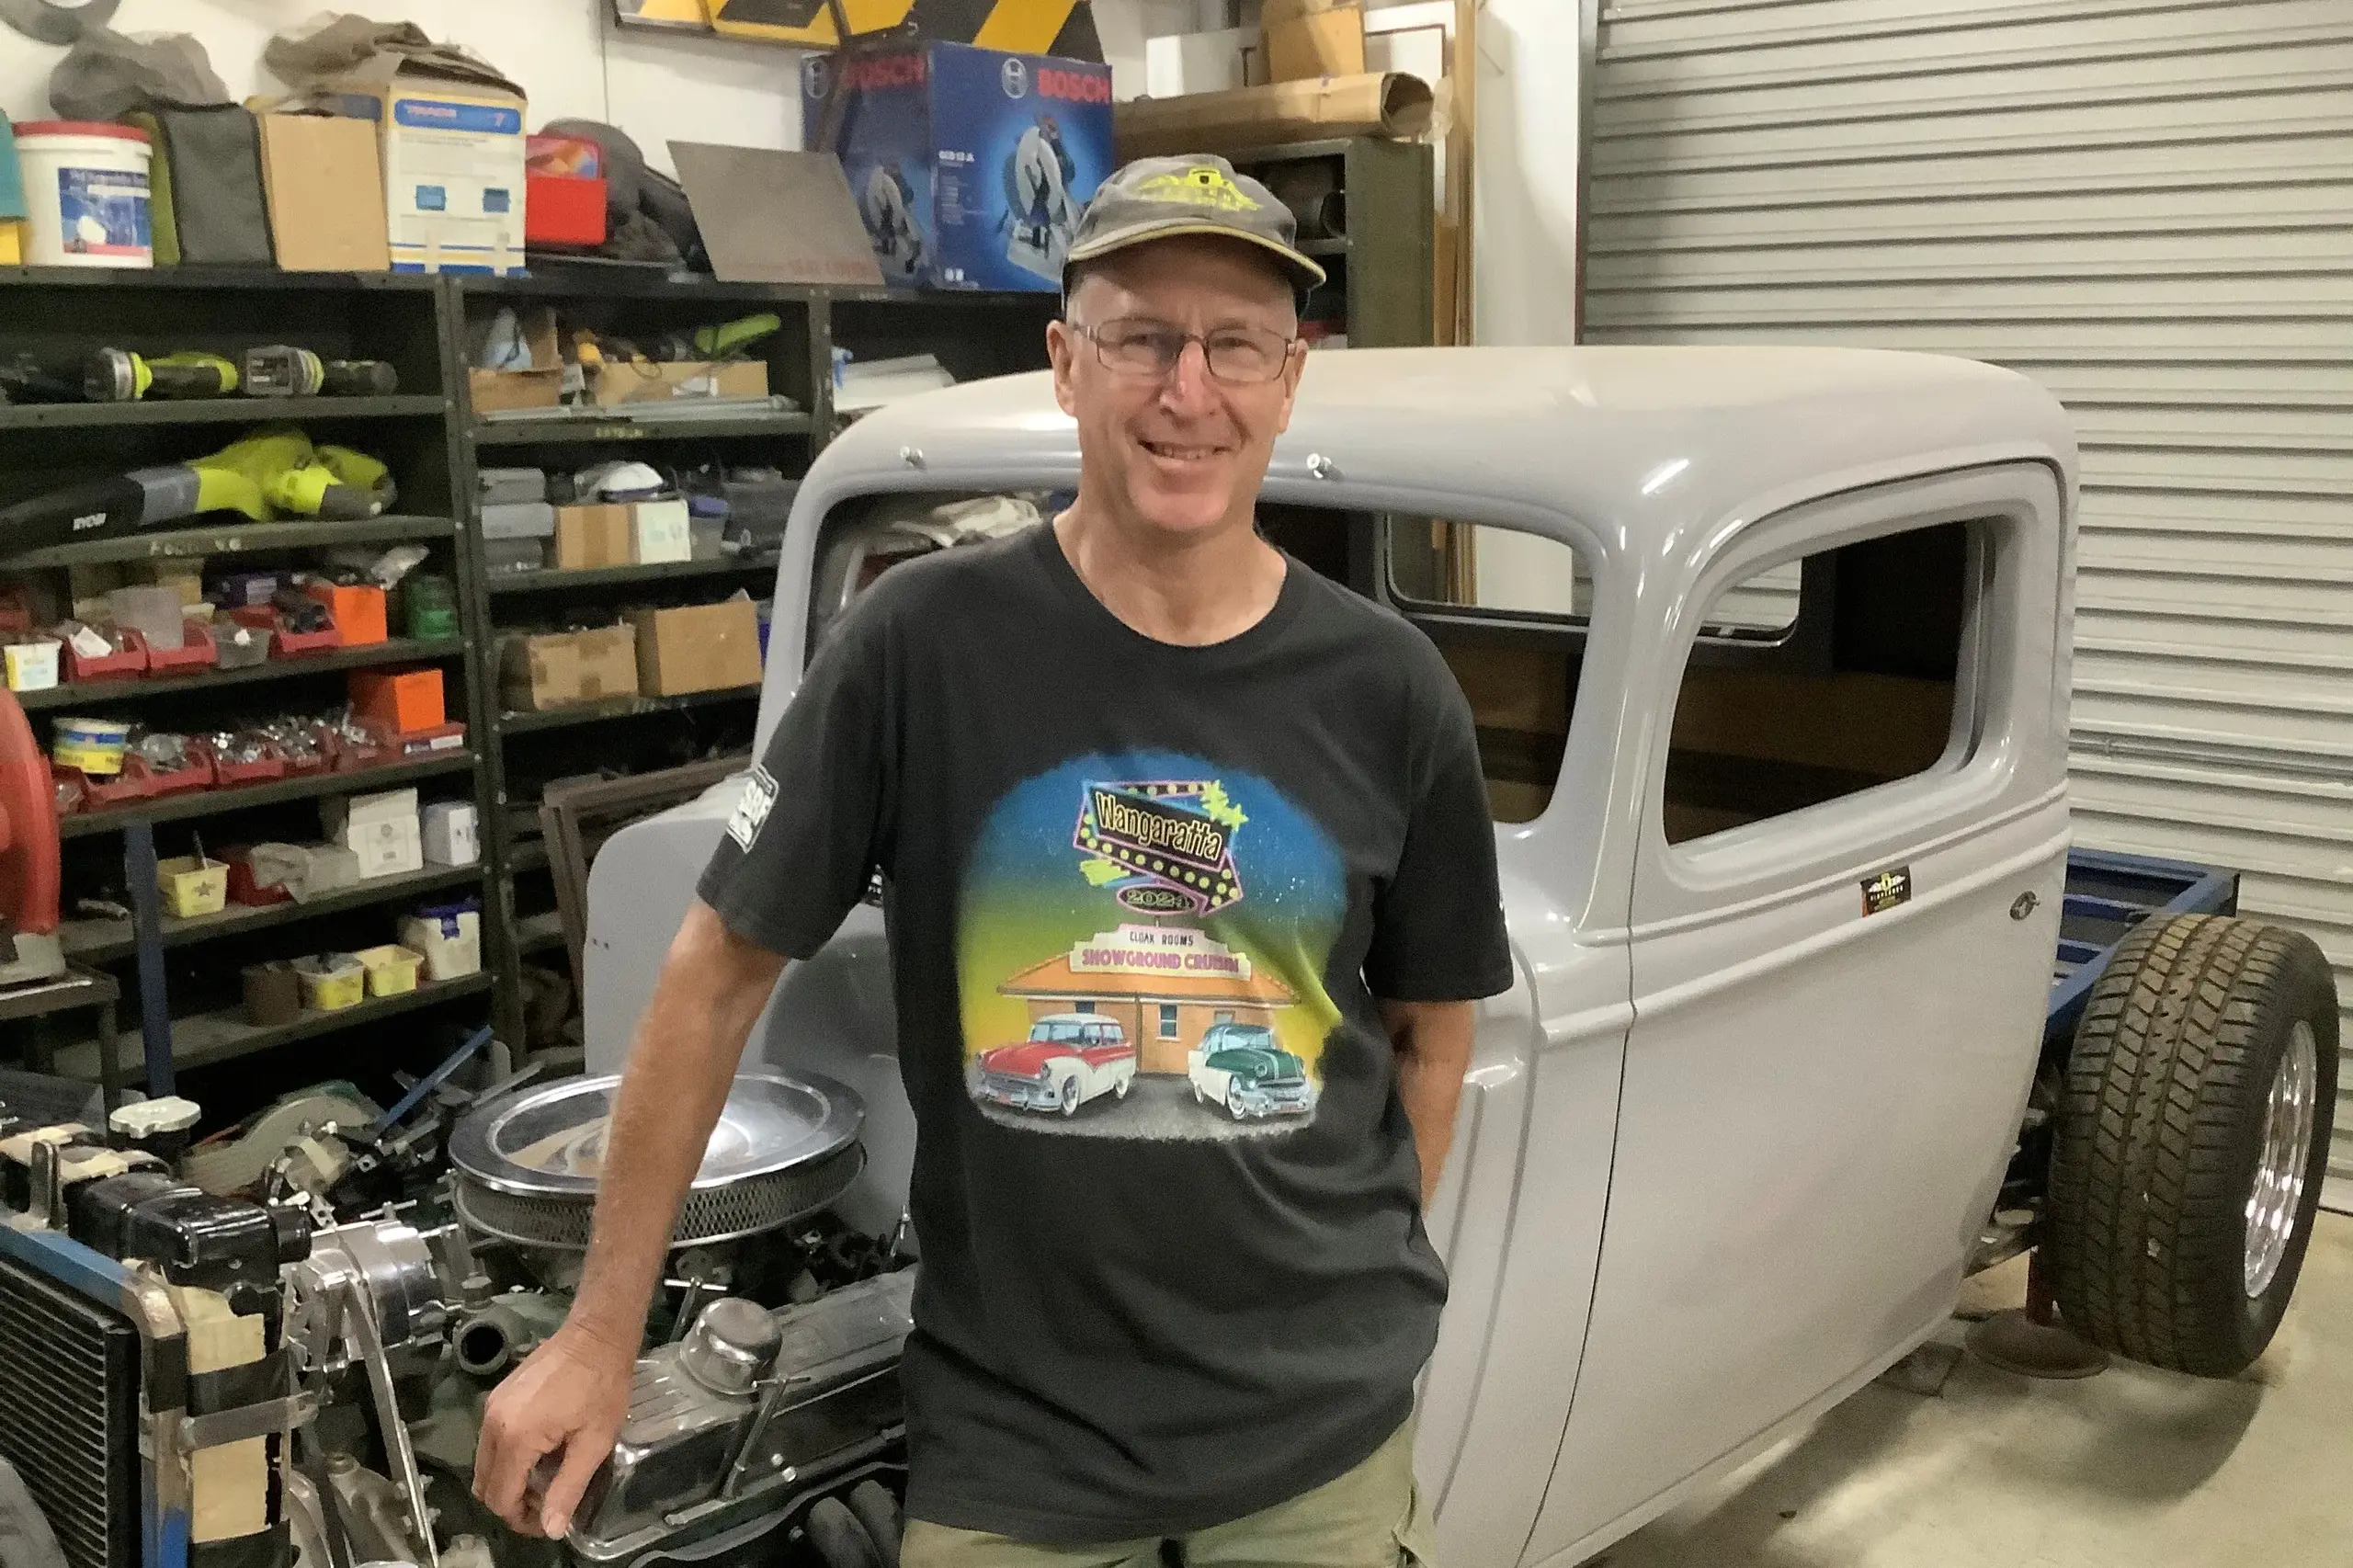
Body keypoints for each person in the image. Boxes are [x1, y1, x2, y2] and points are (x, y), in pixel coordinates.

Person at [472, 153, 1512, 1567]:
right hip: (1017, 1445)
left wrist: (1340, 1298)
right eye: (1141, 337)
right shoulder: (921, 645)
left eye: (1236, 344)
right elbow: (713, 976)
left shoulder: (1391, 688)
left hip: (1317, 1447)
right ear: (1066, 365)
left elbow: (1431, 1037)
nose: (1186, 390)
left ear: (1291, 376)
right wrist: (598, 1336)